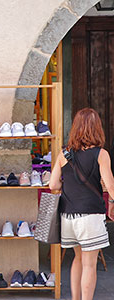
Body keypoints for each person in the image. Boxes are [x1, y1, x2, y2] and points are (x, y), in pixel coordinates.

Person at [49, 108, 114, 300]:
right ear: (97, 128)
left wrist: (67, 183)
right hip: (90, 216)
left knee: (78, 259)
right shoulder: (101, 154)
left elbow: (53, 184)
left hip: (68, 215)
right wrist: (111, 201)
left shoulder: (64, 153)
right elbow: (110, 185)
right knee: (89, 264)